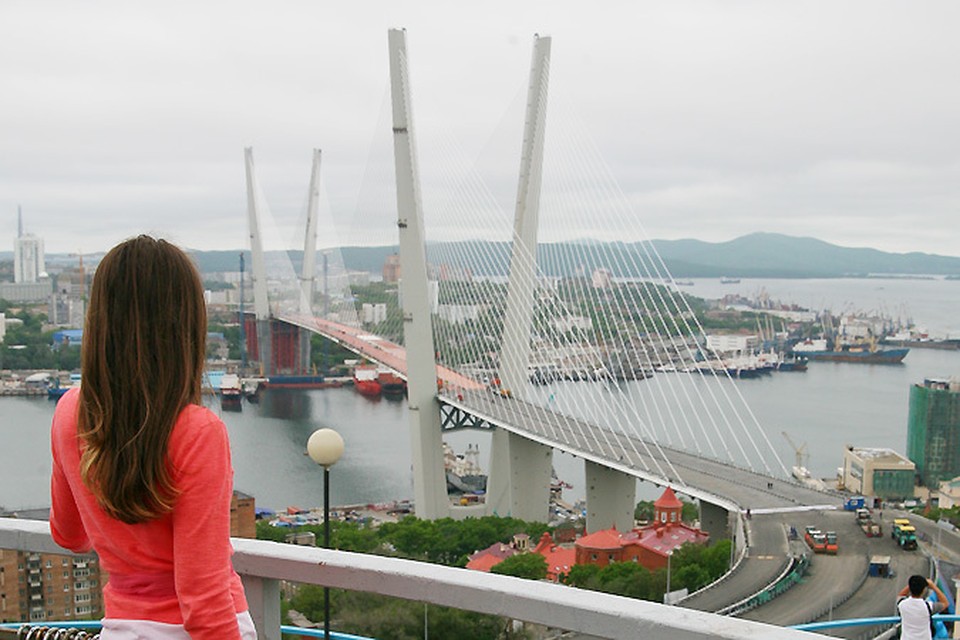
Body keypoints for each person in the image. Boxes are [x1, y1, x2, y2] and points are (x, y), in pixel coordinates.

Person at [50, 236, 256, 640]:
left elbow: (69, 535)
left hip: (122, 627)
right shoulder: (197, 431)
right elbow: (204, 597)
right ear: (185, 325)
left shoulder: (70, 411)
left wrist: (124, 538)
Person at [896, 575, 948, 640]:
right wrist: (933, 586)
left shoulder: (902, 604)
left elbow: (900, 595)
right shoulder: (928, 606)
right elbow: (945, 603)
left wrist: (912, 585)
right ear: (923, 590)